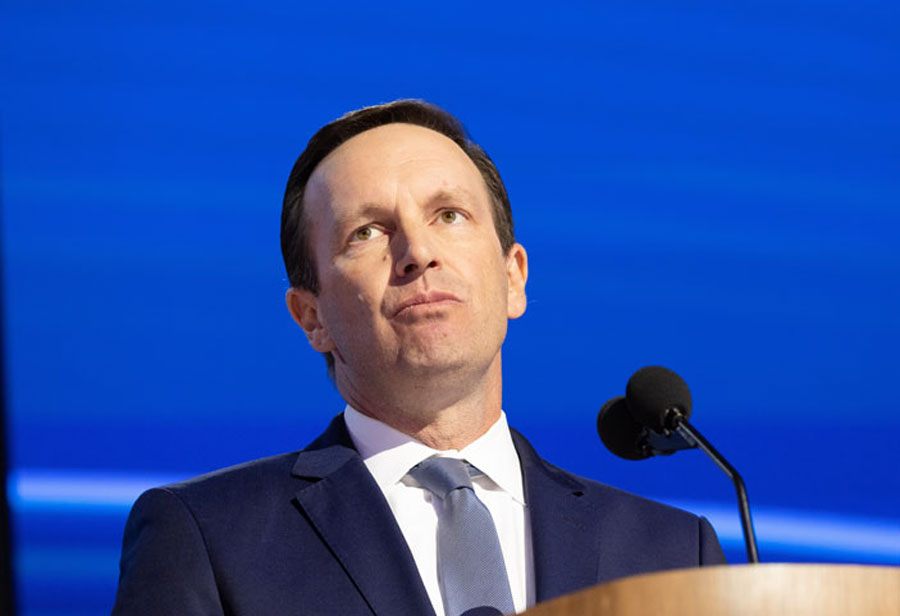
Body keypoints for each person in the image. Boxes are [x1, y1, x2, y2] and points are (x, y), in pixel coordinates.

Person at [112, 100, 725, 616]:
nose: (417, 251)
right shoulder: (208, 539)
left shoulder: (674, 555)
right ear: (311, 316)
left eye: (449, 215)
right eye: (367, 232)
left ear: (513, 277)